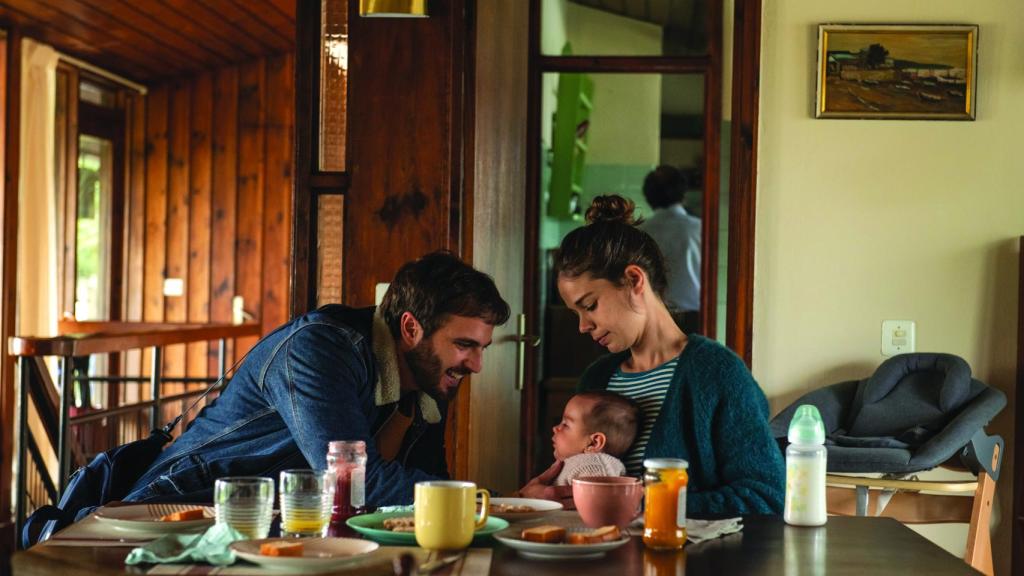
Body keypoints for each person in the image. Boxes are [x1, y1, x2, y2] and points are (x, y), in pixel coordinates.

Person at [124, 251, 510, 508]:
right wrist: (491, 503)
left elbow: (424, 488)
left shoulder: (431, 377)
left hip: (268, 522)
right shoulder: (320, 350)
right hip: (177, 508)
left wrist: (498, 503)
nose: (476, 365)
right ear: (411, 328)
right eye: (465, 345)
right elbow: (355, 482)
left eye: (482, 348)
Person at [519, 195, 783, 516]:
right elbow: (577, 482)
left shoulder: (716, 373)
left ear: (634, 280)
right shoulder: (597, 379)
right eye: (577, 313)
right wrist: (539, 497)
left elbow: (766, 496)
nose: (583, 326)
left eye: (589, 306)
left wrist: (645, 503)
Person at [640, 165, 701, 333]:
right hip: (696, 320)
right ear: (683, 194)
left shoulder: (640, 232)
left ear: (648, 197)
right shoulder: (701, 230)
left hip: (651, 319)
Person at [550, 391, 638, 486]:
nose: (555, 428)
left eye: (565, 425)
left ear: (594, 443)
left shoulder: (594, 468)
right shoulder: (574, 464)